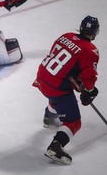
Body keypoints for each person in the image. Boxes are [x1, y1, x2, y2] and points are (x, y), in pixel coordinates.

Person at [32, 15, 100, 165]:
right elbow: (89, 76)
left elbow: (59, 59)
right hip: (57, 87)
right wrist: (89, 91)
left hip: (42, 77)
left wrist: (76, 81)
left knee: (56, 98)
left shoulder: (66, 36)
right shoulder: (90, 50)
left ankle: (49, 117)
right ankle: (56, 146)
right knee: (73, 121)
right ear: (95, 32)